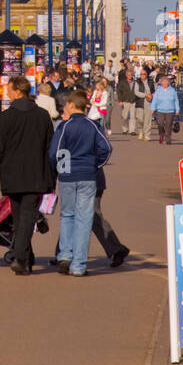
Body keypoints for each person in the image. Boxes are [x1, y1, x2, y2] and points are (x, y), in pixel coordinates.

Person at [0, 75, 55, 275]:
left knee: (19, 219)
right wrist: (53, 174)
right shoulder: (42, 116)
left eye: (8, 88)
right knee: (26, 218)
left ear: (17, 91)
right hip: (36, 174)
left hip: (12, 175)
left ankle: (21, 258)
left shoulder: (7, 117)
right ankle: (25, 257)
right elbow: (51, 147)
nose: (6, 91)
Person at [50, 89, 112, 276]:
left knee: (67, 215)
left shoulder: (64, 126)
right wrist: (94, 165)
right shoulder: (93, 126)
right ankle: (78, 265)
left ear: (71, 105)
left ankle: (65, 256)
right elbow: (106, 148)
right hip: (87, 175)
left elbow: (55, 152)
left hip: (68, 176)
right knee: (84, 219)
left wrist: (62, 168)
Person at [91, 163, 129, 267]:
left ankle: (63, 254)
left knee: (73, 216)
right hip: (85, 179)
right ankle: (62, 253)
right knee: (73, 216)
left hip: (88, 180)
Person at [151, 76, 180, 144]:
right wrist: (152, 108)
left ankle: (168, 139)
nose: (164, 84)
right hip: (160, 110)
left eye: (166, 83)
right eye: (163, 83)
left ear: (168, 83)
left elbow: (176, 100)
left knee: (168, 125)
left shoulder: (172, 90)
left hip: (170, 110)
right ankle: (161, 134)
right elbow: (155, 100)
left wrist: (177, 109)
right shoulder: (158, 90)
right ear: (161, 83)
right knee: (160, 124)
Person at [134, 66, 154, 140]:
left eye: (144, 74)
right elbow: (136, 92)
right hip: (140, 101)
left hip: (148, 102)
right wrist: (145, 95)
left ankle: (147, 134)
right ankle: (140, 131)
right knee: (140, 119)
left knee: (148, 119)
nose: (143, 75)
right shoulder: (137, 82)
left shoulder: (150, 82)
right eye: (141, 74)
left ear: (147, 75)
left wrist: (151, 95)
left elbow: (153, 91)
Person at [116, 69, 136, 135]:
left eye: (131, 75)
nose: (130, 76)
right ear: (126, 75)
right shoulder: (122, 82)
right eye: (128, 75)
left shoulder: (135, 82)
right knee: (125, 116)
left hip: (133, 101)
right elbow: (119, 92)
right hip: (125, 101)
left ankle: (132, 130)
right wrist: (120, 100)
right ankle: (125, 129)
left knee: (133, 116)